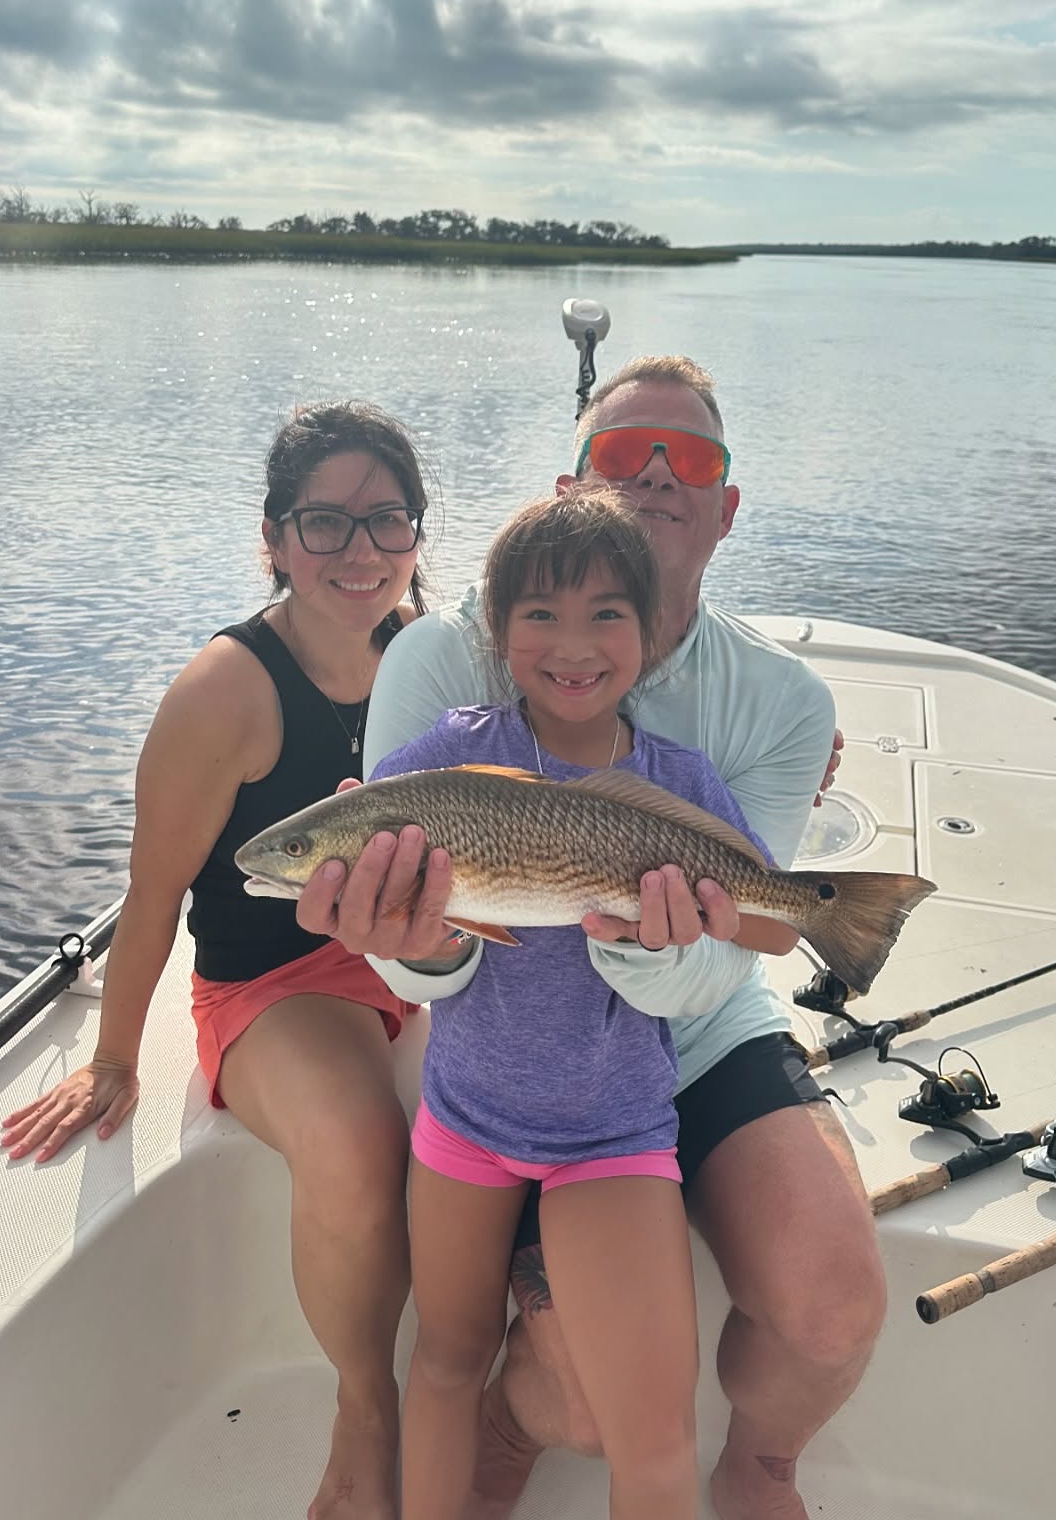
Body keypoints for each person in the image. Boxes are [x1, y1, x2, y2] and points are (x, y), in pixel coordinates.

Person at [299, 356, 873, 1520]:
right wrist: (413, 943)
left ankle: (761, 1460)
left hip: (678, 1042)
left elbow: (740, 937)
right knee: (566, 1394)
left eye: (693, 459)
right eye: (624, 456)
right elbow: (415, 936)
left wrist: (666, 943)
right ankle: (515, 1418)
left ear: (728, 506)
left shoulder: (780, 706)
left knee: (831, 1307)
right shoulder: (438, 666)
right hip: (489, 1049)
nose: (659, 476)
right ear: (575, 486)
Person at [0, 400, 430, 1520]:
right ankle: (365, 1411)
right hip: (278, 985)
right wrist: (113, 1058)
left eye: (387, 521)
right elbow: (151, 900)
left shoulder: (427, 663)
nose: (360, 552)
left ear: (418, 537)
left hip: (422, 959)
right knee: (356, 1141)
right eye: (324, 524)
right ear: (274, 540)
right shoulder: (224, 692)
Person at [378, 489, 770, 1520]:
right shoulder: (442, 762)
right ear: (499, 633)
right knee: (445, 1361)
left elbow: (773, 921)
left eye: (608, 614)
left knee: (654, 1437)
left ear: (649, 635)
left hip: (614, 1130)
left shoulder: (677, 781)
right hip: (463, 1117)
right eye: (540, 614)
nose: (574, 643)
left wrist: (714, 920)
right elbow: (381, 875)